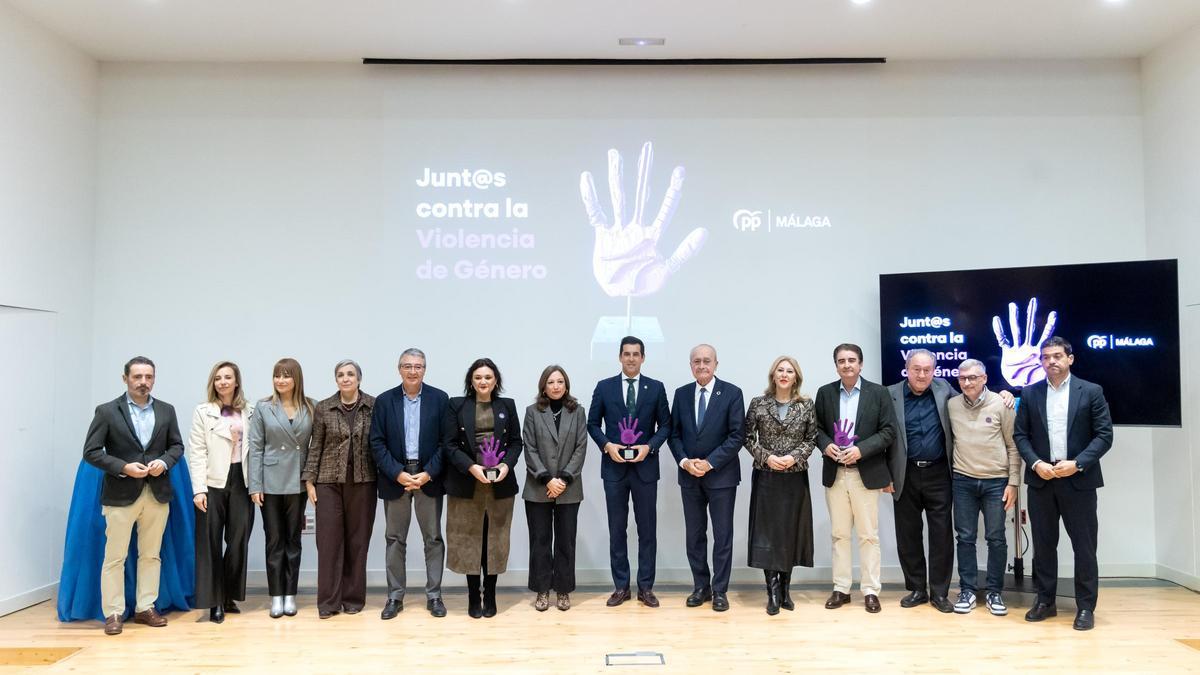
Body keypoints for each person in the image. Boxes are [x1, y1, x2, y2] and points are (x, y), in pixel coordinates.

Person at [1013, 336, 1113, 631]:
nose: (1051, 361)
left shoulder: (1091, 391)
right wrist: (1036, 463)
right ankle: (1045, 601)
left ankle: (1085, 607)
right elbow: (1021, 436)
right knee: (1043, 546)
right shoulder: (1030, 394)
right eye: (1046, 357)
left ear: (1070, 358)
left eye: (1057, 356)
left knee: (1084, 546)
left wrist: (1078, 463)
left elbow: (1104, 435)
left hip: (1078, 481)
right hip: (1042, 480)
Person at [81, 356, 186, 635]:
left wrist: (163, 462)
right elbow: (91, 452)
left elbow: (177, 446)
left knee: (151, 555)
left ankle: (145, 607)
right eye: (137, 377)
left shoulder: (167, 410)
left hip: (157, 493)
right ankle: (113, 613)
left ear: (154, 379)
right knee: (114, 557)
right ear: (125, 378)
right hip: (119, 494)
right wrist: (123, 467)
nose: (143, 382)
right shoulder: (106, 411)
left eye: (148, 377)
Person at [586, 336, 672, 608]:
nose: (631, 358)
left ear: (643, 358)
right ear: (619, 357)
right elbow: (592, 424)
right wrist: (606, 445)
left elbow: (666, 426)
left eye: (636, 354)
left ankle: (645, 587)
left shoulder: (656, 388)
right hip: (614, 469)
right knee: (617, 529)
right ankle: (621, 586)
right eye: (627, 354)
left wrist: (650, 446)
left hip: (645, 468)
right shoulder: (604, 387)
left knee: (647, 531)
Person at [814, 343, 896, 614]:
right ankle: (841, 588)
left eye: (851, 360)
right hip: (836, 473)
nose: (846, 365)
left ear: (861, 364)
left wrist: (861, 450)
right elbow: (817, 429)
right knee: (839, 535)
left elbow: (888, 432)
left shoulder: (879, 393)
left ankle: (871, 590)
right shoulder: (825, 393)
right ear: (836, 365)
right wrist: (826, 445)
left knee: (868, 536)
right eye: (841, 361)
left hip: (866, 473)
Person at [369, 348, 451, 619]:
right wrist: (397, 473)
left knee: (433, 539)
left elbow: (445, 443)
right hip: (397, 478)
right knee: (394, 540)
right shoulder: (384, 401)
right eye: (407, 366)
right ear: (399, 368)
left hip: (429, 477)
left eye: (418, 366)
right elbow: (376, 443)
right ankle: (394, 597)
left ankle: (434, 596)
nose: (412, 371)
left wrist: (428, 473)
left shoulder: (440, 399)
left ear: (425, 369)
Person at [441, 358, 523, 619]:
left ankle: (491, 594)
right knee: (469, 540)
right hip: (467, 482)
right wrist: (471, 468)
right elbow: (449, 445)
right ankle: (473, 595)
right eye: (478, 377)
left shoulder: (506, 406)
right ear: (471, 381)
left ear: (495, 380)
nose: (483, 381)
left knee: (494, 540)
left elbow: (515, 443)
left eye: (488, 377)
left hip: (499, 484)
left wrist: (505, 467)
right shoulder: (456, 405)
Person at [669, 344, 746, 612]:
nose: (702, 366)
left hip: (721, 477)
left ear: (716, 364)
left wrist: (710, 462)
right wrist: (685, 462)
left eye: (707, 361)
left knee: (722, 535)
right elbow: (674, 434)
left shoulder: (732, 393)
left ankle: (720, 590)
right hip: (689, 476)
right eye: (696, 362)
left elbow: (737, 435)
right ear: (691, 365)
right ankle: (701, 586)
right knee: (695, 535)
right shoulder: (681, 394)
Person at [743, 356, 817, 615]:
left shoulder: (806, 405)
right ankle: (772, 590)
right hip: (766, 476)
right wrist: (767, 457)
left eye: (790, 371)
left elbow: (812, 438)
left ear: (796, 377)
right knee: (768, 533)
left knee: (790, 532)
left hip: (795, 476)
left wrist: (793, 457)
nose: (784, 374)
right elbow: (747, 437)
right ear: (773, 375)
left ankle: (786, 588)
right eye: (780, 370)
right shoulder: (758, 404)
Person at [303, 360, 377, 619]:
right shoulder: (324, 407)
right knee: (329, 543)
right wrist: (309, 480)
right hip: (327, 482)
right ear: (336, 379)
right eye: (340, 375)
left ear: (359, 378)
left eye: (350, 374)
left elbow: (378, 444)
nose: (345, 378)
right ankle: (328, 602)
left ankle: (353, 598)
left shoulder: (373, 405)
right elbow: (316, 446)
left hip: (363, 480)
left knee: (358, 542)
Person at [946, 358, 1020, 616]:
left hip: (996, 482)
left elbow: (1013, 445)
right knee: (964, 537)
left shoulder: (1002, 403)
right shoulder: (952, 405)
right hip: (963, 480)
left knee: (996, 538)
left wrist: (1013, 482)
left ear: (985, 379)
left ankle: (994, 592)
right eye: (963, 378)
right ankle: (967, 589)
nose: (967, 382)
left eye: (973, 377)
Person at [188, 361, 255, 624]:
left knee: (238, 541)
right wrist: (198, 490)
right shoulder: (203, 411)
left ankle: (229, 594)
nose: (223, 382)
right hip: (212, 482)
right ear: (213, 383)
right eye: (218, 378)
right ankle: (214, 601)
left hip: (242, 480)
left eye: (228, 377)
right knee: (210, 543)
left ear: (237, 381)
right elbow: (196, 451)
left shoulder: (249, 410)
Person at [247, 357, 314, 619]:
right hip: (270, 482)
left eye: (286, 375)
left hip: (297, 481)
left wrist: (310, 480)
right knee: (274, 540)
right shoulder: (264, 407)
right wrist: (255, 485)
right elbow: (256, 448)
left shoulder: (311, 407)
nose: (281, 380)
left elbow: (314, 447)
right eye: (277, 375)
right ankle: (276, 595)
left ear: (296, 378)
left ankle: (290, 594)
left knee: (293, 540)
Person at [522, 365, 588, 612]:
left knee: (565, 542)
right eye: (551, 382)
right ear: (544, 386)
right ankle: (541, 590)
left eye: (560, 382)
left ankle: (562, 591)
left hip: (568, 489)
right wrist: (546, 479)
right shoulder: (532, 412)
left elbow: (581, 447)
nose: (556, 386)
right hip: (538, 488)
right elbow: (529, 447)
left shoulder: (577, 412)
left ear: (566, 385)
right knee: (540, 541)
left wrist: (564, 479)